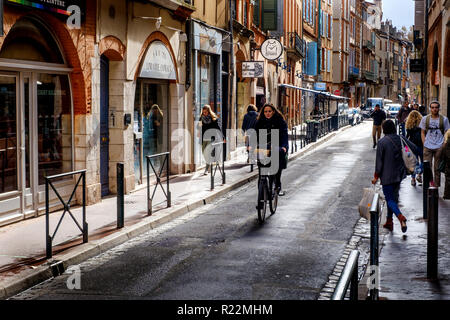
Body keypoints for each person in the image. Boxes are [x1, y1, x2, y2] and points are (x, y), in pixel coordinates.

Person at [372, 120, 418, 233]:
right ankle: (389, 221)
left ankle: (400, 216)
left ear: (384, 129)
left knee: (390, 199)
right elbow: (414, 148)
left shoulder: (382, 142)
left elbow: (379, 163)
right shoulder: (401, 138)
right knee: (393, 199)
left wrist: (376, 177)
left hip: (387, 176)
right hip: (399, 174)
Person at [254, 104, 289, 196]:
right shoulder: (259, 122)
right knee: (261, 173)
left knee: (276, 170)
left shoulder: (280, 122)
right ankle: (261, 199)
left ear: (273, 111)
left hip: (276, 147)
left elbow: (284, 135)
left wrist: (284, 147)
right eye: (265, 111)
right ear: (263, 112)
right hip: (263, 149)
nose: (267, 113)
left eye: (269, 111)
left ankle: (277, 186)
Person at [419, 101, 450, 188]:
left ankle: (436, 186)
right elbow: (422, 132)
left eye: (436, 107)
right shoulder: (425, 119)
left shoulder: (444, 119)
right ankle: (429, 183)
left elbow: (447, 132)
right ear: (430, 109)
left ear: (439, 108)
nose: (434, 109)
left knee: (437, 167)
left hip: (439, 146)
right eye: (432, 107)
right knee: (427, 166)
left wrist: (443, 144)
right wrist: (424, 143)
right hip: (427, 146)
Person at [200, 105, 221, 175]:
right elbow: (199, 128)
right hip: (204, 138)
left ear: (209, 111)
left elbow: (218, 128)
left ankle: (206, 169)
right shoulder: (201, 118)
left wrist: (222, 137)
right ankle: (209, 164)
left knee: (207, 152)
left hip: (211, 138)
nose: (204, 113)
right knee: (203, 152)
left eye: (205, 112)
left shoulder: (213, 119)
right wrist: (199, 126)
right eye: (203, 112)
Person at [406, 110, 423, 186]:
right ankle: (419, 174)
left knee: (414, 163)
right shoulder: (422, 125)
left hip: (412, 146)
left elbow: (407, 137)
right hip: (421, 145)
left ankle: (413, 179)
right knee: (423, 162)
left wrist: (406, 149)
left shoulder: (409, 126)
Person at [443, 130, 450, 199]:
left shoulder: (446, 142)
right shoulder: (448, 143)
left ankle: (447, 194)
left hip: (448, 163)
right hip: (448, 163)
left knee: (448, 179)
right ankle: (447, 194)